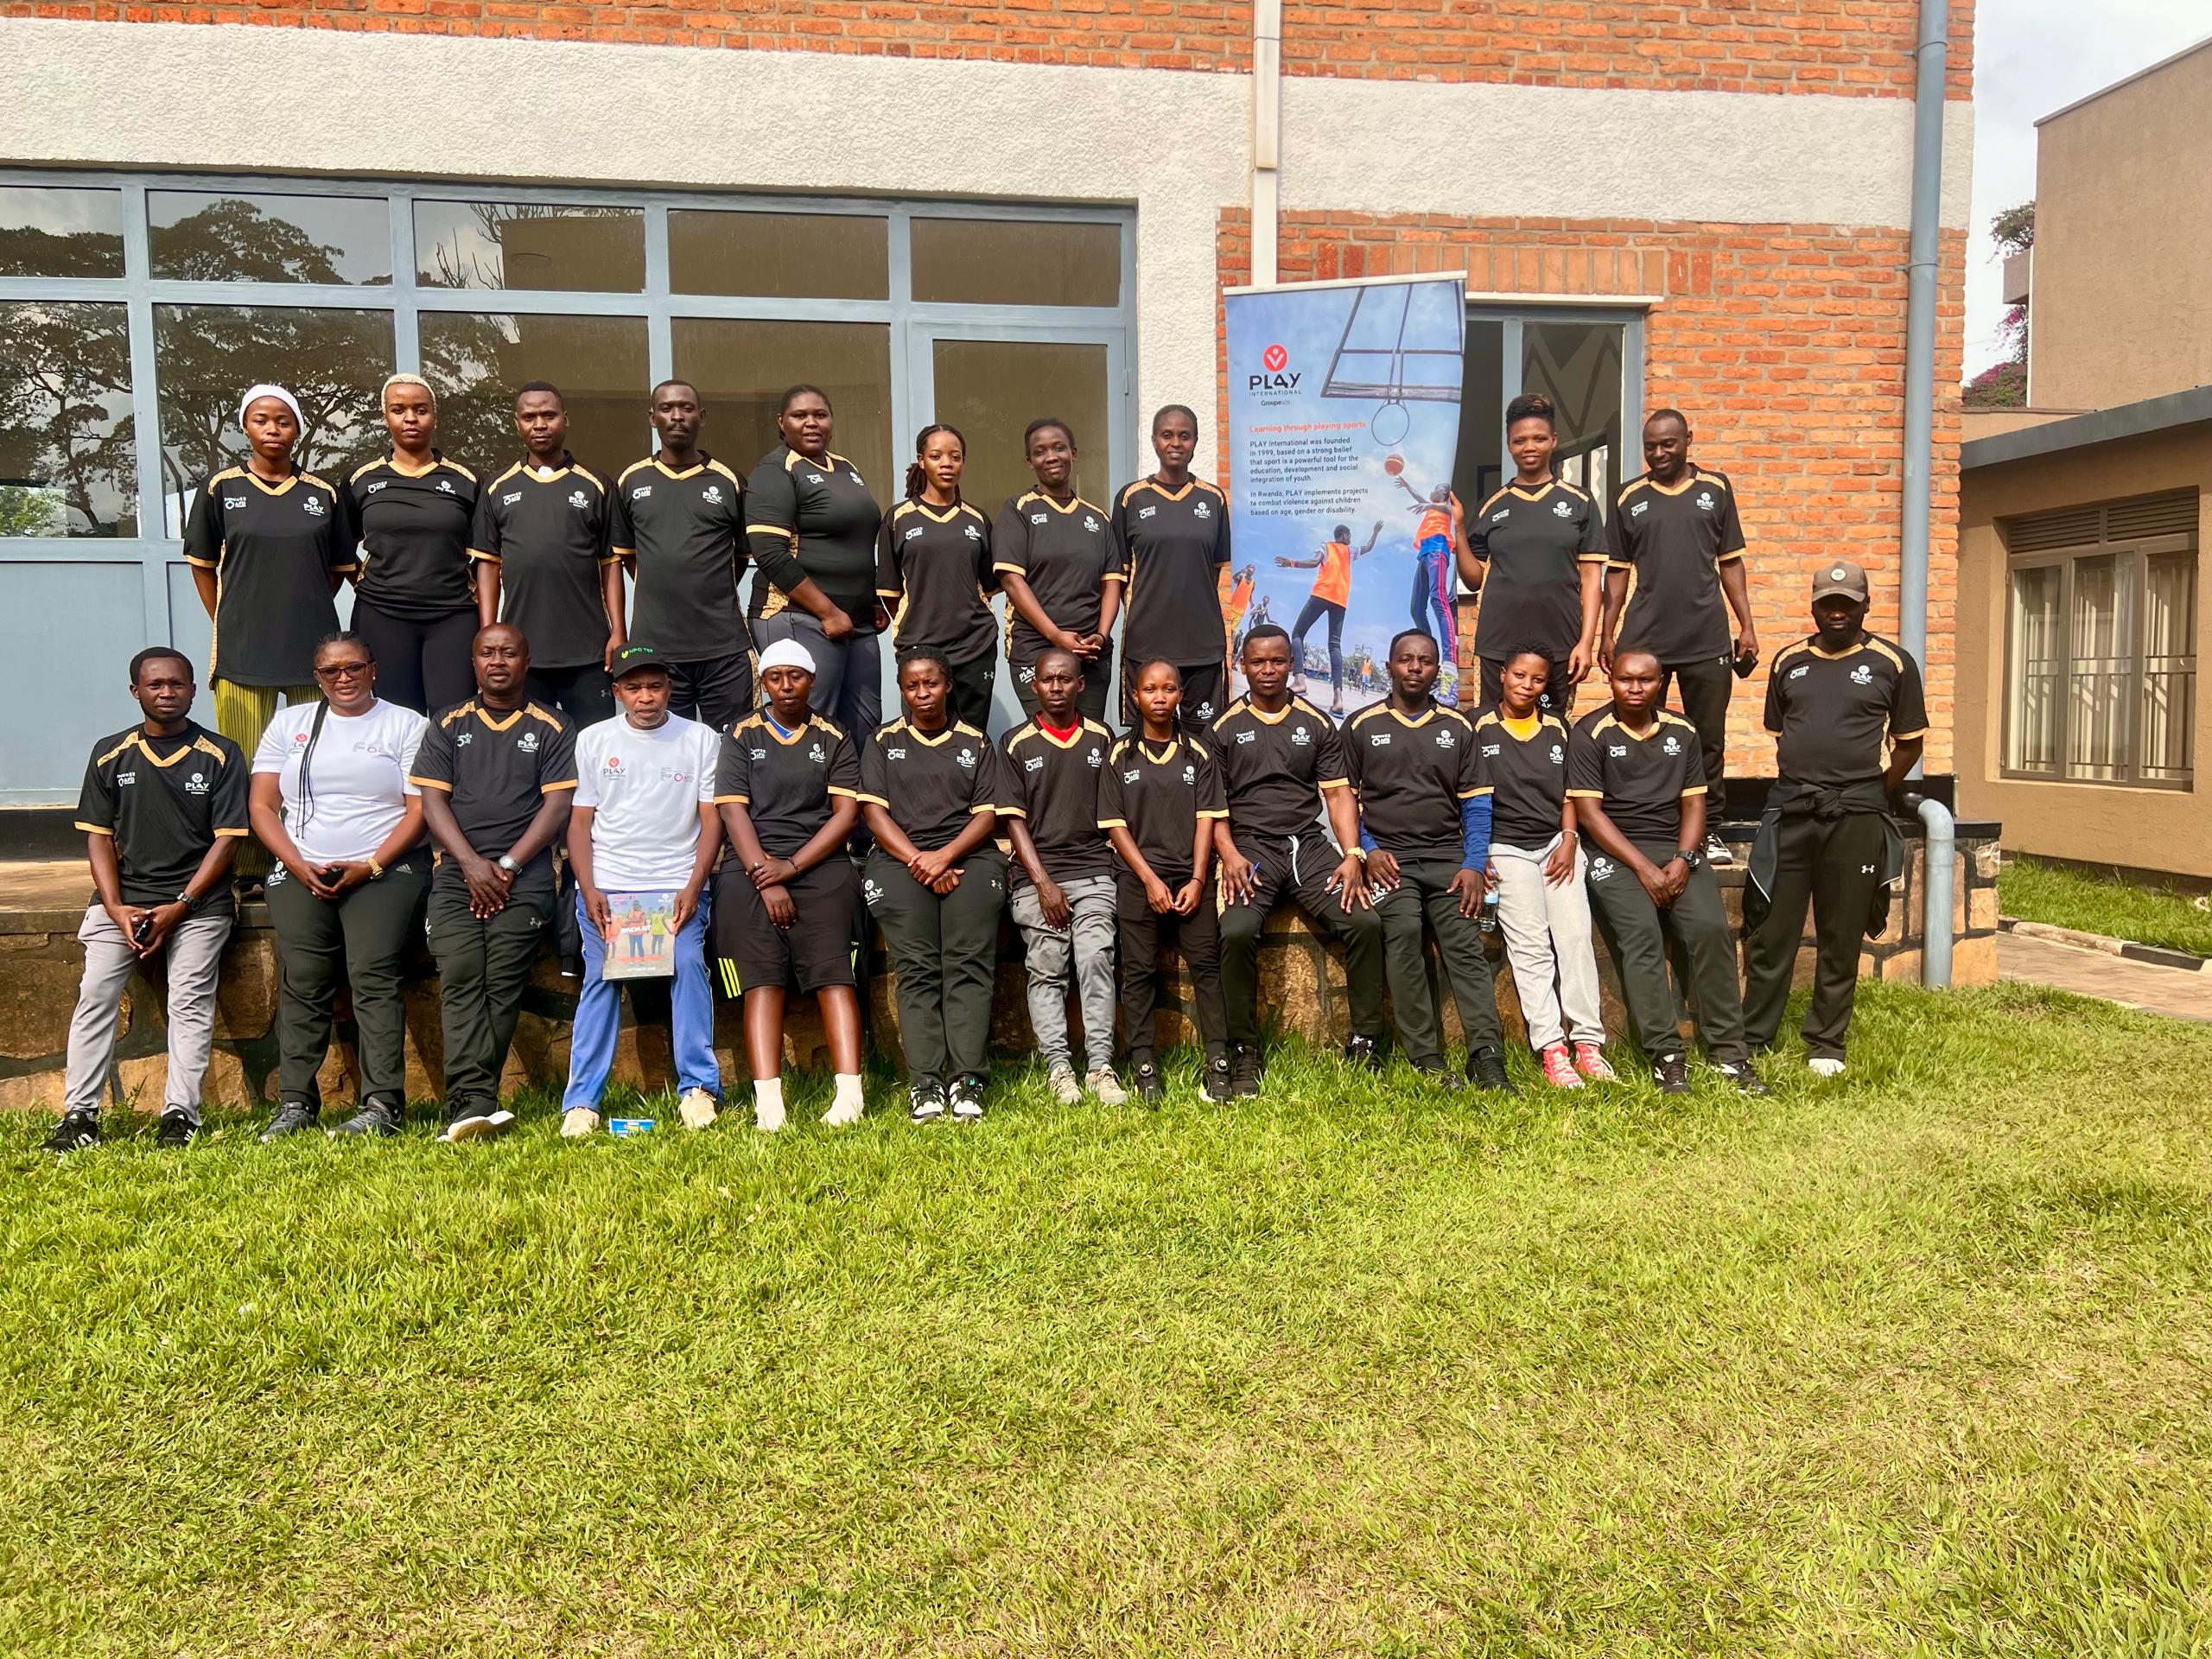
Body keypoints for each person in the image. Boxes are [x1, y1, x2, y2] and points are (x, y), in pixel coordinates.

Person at [44, 649, 249, 1153]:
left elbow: (228, 841)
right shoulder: (112, 752)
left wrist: (180, 906)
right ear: (135, 691)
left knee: (189, 996)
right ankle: (80, 1118)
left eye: (177, 684)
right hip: (124, 902)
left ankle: (180, 1114)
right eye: (155, 685)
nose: (166, 692)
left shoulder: (220, 753)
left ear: (193, 690)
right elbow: (97, 837)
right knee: (95, 993)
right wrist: (115, 908)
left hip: (199, 904)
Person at [1744, 560, 1928, 1077]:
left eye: (1848, 603)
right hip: (1793, 809)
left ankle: (1826, 1042)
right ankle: (1753, 1038)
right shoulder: (1788, 662)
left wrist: (1871, 790)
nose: (1837, 612)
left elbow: (1910, 745)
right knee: (1774, 932)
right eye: (1828, 603)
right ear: (1814, 605)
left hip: (1856, 815)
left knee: (1841, 933)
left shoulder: (1893, 662)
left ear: (1866, 604)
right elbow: (1786, 733)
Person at [249, 631, 431, 1140]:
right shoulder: (290, 723)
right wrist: (297, 863)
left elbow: (419, 811)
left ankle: (382, 1105)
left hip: (384, 868)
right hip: (302, 867)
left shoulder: (405, 724)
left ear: (373, 668)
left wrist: (371, 866)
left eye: (354, 667)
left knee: (372, 972)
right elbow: (263, 806)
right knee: (303, 977)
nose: (344, 678)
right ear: (318, 678)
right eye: (331, 671)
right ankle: (295, 1104)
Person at [1567, 649, 1765, 1097]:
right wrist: (1644, 869)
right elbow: (1590, 814)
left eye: (1645, 681)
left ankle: (1729, 1055)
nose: (1634, 689)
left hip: (1674, 850)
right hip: (1614, 853)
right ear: (1611, 680)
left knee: (1712, 930)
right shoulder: (1590, 732)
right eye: (1625, 680)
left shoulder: (1683, 730)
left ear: (1662, 683)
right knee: (1641, 936)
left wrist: (1682, 859)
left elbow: (1695, 803)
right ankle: (1666, 1057)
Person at [411, 624, 577, 1142]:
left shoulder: (553, 725)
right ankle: (475, 1101)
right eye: (487, 652)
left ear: (526, 661)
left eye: (509, 653)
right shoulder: (447, 723)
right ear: (474, 661)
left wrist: (504, 866)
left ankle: (469, 1102)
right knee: (461, 974)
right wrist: (471, 865)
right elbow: (433, 802)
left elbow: (557, 806)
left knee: (501, 978)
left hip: (524, 879)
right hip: (458, 876)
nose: (497, 661)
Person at [183, 384, 353, 882]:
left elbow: (339, 567)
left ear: (297, 428)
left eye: (283, 420)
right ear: (246, 426)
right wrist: (230, 614)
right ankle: (251, 869)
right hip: (244, 648)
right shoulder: (221, 489)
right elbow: (203, 565)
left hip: (313, 650)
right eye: (262, 420)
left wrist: (298, 601)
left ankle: (311, 855)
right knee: (248, 764)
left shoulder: (322, 494)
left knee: (313, 760)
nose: (273, 428)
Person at [1213, 625, 1389, 1093]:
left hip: (1307, 847)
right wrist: (1228, 854)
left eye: (1277, 661)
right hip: (1250, 848)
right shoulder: (1225, 727)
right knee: (1236, 930)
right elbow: (1209, 808)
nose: (1268, 670)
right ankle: (1244, 1049)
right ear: (1243, 666)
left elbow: (1337, 795)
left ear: (1292, 664)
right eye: (1258, 662)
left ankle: (1367, 1039)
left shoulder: (1315, 722)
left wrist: (1352, 854)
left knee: (1366, 923)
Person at [561, 643, 724, 1136]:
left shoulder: (700, 739)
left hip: (677, 884)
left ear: (669, 689)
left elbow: (711, 819)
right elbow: (579, 823)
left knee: (690, 966)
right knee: (601, 979)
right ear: (618, 693)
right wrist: (588, 889)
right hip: (610, 885)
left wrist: (696, 884)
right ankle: (582, 1103)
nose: (646, 697)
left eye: (655, 686)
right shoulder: (593, 740)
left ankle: (698, 1090)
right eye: (634, 688)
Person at [711, 639, 868, 1133]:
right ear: (763, 682)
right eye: (775, 677)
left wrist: (793, 868)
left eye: (795, 676)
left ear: (812, 681)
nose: (785, 686)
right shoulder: (739, 733)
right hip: (751, 868)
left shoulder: (835, 735)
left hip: (819, 865)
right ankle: (769, 1104)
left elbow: (845, 816)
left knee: (834, 975)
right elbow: (733, 810)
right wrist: (765, 874)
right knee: (762, 978)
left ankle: (849, 1095)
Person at [1344, 631, 1512, 1091]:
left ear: (1438, 668)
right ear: (1390, 666)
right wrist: (1368, 849)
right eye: (1405, 660)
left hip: (1446, 859)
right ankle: (1427, 1058)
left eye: (1425, 660)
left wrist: (1474, 864)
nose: (1415, 667)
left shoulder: (1458, 728)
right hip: (1388, 862)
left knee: (1465, 947)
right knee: (1401, 938)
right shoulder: (1361, 724)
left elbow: (1477, 806)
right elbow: (1344, 802)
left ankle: (1487, 1056)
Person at [1599, 409, 1758, 867]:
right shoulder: (1630, 496)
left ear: (1688, 439)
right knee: (1640, 733)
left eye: (1668, 443)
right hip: (1646, 638)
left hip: (1706, 638)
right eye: (1651, 446)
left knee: (1708, 737)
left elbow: (1730, 563)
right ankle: (1644, 824)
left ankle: (1708, 831)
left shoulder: (1716, 489)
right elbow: (1617, 573)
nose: (1659, 453)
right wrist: (1608, 634)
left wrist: (1746, 625)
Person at [859, 651, 1010, 1124]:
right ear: (902, 690)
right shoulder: (883, 742)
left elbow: (987, 814)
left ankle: (968, 1080)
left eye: (930, 684)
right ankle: (925, 1084)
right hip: (898, 861)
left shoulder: (976, 742)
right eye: (911, 686)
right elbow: (874, 814)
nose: (921, 694)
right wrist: (920, 860)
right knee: (918, 967)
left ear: (947, 686)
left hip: (969, 858)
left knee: (967, 963)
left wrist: (945, 856)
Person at [1475, 647, 1616, 1090]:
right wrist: (1479, 857)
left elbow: (1569, 795)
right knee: (1531, 946)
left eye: (1537, 679)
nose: (1526, 685)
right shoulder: (1477, 727)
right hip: (1506, 849)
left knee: (1574, 936)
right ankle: (1553, 1048)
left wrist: (1570, 840)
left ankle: (1588, 1044)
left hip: (1557, 845)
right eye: (1519, 675)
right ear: (1502, 675)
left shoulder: (1558, 728)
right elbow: (1469, 799)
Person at [1098, 659, 1231, 1103]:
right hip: (1139, 879)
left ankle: (1218, 1061)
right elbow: (1115, 825)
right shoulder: (1119, 753)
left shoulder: (1199, 751)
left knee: (1208, 967)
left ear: (1181, 697)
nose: (1159, 697)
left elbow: (1207, 819)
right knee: (1138, 971)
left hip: (1191, 878)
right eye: (1150, 689)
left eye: (1168, 689)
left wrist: (1197, 879)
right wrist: (1151, 881)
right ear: (1134, 697)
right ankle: (1143, 1062)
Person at [1000, 648, 1124, 1106]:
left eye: (1065, 679)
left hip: (1093, 873)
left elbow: (1114, 814)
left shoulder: (1102, 738)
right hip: (1037, 879)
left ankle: (1100, 1067)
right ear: (1034, 686)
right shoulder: (1015, 742)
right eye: (1047, 680)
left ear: (1080, 685)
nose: (1056, 687)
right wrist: (1043, 884)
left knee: (1095, 958)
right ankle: (1058, 1068)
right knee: (1048, 967)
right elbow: (1013, 822)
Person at [470, 380, 626, 729]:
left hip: (588, 652)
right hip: (521, 655)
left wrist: (618, 632)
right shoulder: (497, 486)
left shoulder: (596, 484)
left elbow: (611, 564)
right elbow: (488, 564)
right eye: (529, 417)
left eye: (548, 415)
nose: (539, 424)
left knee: (587, 748)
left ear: (565, 420)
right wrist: (488, 632)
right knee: (524, 748)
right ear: (517, 423)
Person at [747, 385, 887, 741]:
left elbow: (857, 541)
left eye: (820, 415)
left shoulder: (846, 468)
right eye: (800, 416)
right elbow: (769, 553)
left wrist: (870, 599)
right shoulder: (775, 470)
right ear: (782, 422)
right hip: (798, 616)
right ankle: (808, 800)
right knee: (811, 726)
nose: (811, 423)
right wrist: (827, 612)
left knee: (864, 725)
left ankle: (852, 798)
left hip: (855, 620)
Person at [609, 381, 752, 730]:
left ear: (701, 417)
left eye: (687, 408)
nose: (677, 416)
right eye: (667, 408)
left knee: (732, 746)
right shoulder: (630, 480)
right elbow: (627, 558)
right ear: (652, 417)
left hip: (723, 648)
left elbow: (741, 557)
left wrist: (705, 585)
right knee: (665, 752)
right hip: (657, 650)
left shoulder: (729, 480)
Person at [340, 373, 480, 715]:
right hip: (382, 615)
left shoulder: (468, 480)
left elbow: (488, 556)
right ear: (386, 417)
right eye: (398, 410)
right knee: (392, 718)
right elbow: (341, 550)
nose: (410, 419)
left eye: (421, 410)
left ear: (435, 415)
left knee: (454, 718)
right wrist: (374, 583)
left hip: (453, 617)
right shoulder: (361, 480)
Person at [1461, 394, 1605, 716]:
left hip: (1560, 644)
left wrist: (1586, 642)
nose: (1530, 447)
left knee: (1552, 734)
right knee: (1490, 732)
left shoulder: (1580, 502)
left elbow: (1592, 579)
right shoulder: (1492, 506)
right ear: (1509, 445)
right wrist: (1457, 529)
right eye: (1520, 440)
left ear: (1553, 441)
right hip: (1498, 643)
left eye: (1539, 438)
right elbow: (1473, 580)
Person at [995, 418, 1122, 726]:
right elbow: (1012, 581)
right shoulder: (1018, 511)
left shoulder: (1098, 518)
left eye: (1059, 448)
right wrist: (1055, 635)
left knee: (1090, 738)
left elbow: (1112, 584)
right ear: (1029, 462)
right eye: (1040, 451)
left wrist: (1101, 636)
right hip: (1036, 649)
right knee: (1046, 740)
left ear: (1073, 453)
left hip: (1090, 655)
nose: (1051, 456)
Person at [1115, 404, 1232, 733]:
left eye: (1185, 436)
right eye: (1167, 435)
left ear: (1195, 441)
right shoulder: (1131, 498)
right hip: (1146, 643)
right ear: (1154, 441)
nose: (1176, 443)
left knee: (1204, 742)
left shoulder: (1212, 499)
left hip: (1202, 645)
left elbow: (1212, 572)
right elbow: (1118, 576)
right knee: (1144, 742)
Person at [876, 423, 998, 727]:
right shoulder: (898, 518)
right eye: (936, 456)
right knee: (925, 737)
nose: (947, 464)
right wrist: (920, 618)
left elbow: (988, 588)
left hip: (974, 647)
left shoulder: (977, 520)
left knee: (972, 739)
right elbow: (891, 594)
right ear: (922, 461)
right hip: (919, 647)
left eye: (955, 457)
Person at [1279, 520, 1383, 716]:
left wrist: (1292, 563)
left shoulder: (1326, 546)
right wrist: (1375, 532)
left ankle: (1300, 680)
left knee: (1298, 633)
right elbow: (1368, 547)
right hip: (1340, 601)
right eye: (1349, 536)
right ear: (1343, 536)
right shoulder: (1350, 551)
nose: (1350, 539)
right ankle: (1338, 699)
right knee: (1334, 644)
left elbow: (1314, 562)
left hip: (1322, 594)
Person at [1393, 469, 1466, 702]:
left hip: (1438, 550)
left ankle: (1449, 669)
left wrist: (1430, 506)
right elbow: (1419, 499)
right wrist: (1406, 486)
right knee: (1416, 608)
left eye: (1437, 489)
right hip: (1425, 553)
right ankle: (1429, 650)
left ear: (1444, 494)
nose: (1432, 491)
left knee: (1438, 599)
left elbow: (1447, 508)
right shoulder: (1432, 505)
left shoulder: (1446, 509)